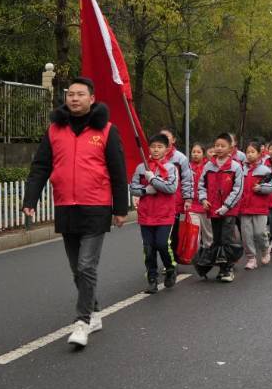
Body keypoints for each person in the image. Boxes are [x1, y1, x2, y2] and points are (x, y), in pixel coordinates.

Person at [22, 77, 128, 348]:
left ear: (92, 99)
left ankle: (82, 322)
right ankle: (93, 312)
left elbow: (118, 171)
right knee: (76, 269)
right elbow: (40, 167)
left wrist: (119, 208)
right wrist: (30, 199)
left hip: (96, 205)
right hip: (66, 206)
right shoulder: (55, 130)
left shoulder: (106, 130)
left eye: (81, 94)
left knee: (86, 265)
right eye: (71, 94)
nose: (75, 98)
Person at [129, 133, 180, 294]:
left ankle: (170, 269)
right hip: (146, 214)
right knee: (148, 248)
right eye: (153, 147)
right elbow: (133, 187)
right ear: (148, 148)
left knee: (162, 244)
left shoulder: (171, 168)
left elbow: (171, 188)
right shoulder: (141, 167)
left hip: (165, 214)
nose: (156, 150)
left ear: (167, 149)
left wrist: (153, 180)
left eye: (160, 147)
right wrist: (146, 190)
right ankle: (152, 278)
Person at [196, 133, 244, 282]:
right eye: (217, 145)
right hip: (213, 209)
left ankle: (227, 269)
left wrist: (226, 206)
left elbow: (238, 189)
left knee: (226, 239)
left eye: (223, 146)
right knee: (216, 239)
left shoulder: (235, 167)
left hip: (229, 210)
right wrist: (203, 199)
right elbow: (201, 185)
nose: (219, 148)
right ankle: (219, 267)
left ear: (230, 148)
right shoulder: (208, 166)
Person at [239, 141, 272, 269]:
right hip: (244, 207)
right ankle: (251, 258)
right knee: (246, 235)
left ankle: (265, 250)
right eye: (247, 152)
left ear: (259, 153)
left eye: (252, 152)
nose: (249, 155)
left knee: (259, 233)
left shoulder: (265, 170)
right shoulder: (241, 169)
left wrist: (261, 187)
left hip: (260, 207)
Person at [159, 128, 194, 264]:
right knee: (159, 236)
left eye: (167, 137)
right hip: (158, 203)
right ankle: (168, 259)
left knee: (172, 234)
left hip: (175, 202)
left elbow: (187, 179)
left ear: (173, 140)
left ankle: (171, 261)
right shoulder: (153, 157)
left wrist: (188, 198)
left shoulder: (180, 158)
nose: (164, 139)